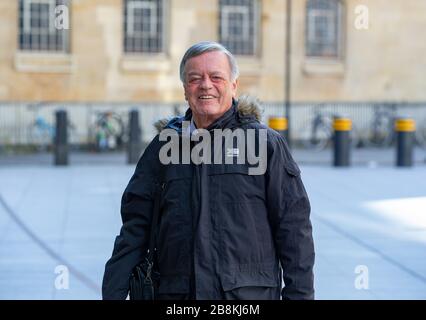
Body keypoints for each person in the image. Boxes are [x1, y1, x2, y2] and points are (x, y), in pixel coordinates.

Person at [102, 41, 315, 300]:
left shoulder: (265, 145)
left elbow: (294, 229)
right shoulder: (164, 148)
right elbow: (135, 225)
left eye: (216, 77)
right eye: (195, 78)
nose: (206, 85)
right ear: (184, 89)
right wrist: (113, 291)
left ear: (234, 85)